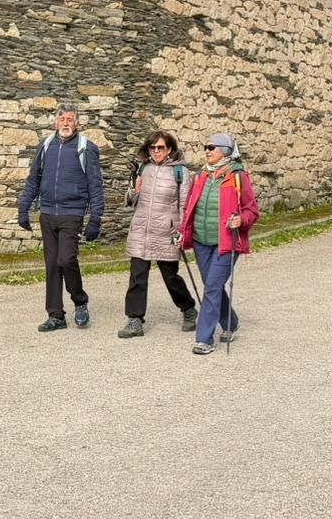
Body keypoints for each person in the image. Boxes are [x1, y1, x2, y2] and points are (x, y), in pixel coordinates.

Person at [16, 107, 105, 332]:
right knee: (52, 265)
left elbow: (95, 185)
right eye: (62, 119)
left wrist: (95, 218)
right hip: (47, 213)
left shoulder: (86, 148)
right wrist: (23, 207)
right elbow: (33, 179)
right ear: (56, 123)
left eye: (70, 120)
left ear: (77, 124)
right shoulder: (46, 146)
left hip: (72, 213)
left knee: (66, 260)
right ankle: (55, 315)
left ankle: (80, 301)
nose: (66, 123)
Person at [179, 135, 259, 355]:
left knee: (212, 287)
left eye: (211, 147)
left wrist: (241, 220)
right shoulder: (201, 175)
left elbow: (252, 210)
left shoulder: (238, 177)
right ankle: (231, 323)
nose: (207, 150)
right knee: (213, 286)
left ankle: (204, 339)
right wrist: (182, 232)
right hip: (200, 241)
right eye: (205, 147)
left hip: (226, 243)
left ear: (225, 151)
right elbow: (189, 208)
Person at [118, 131, 197, 338]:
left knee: (170, 276)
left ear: (169, 149)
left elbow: (184, 206)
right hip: (141, 230)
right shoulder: (143, 168)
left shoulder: (180, 172)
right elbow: (129, 201)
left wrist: (181, 231)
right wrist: (134, 191)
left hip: (166, 231)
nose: (156, 151)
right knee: (137, 276)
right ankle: (135, 320)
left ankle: (188, 309)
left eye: (160, 147)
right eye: (152, 148)